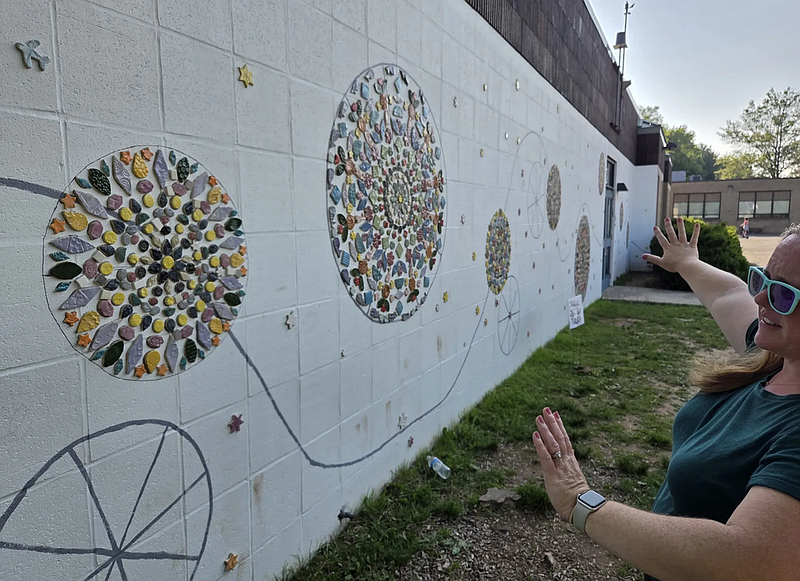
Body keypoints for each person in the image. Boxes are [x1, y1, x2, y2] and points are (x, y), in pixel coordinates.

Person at [532, 217, 800, 581]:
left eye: (783, 294)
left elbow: (749, 558)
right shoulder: (773, 356)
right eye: (762, 279)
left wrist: (579, 501)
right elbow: (728, 294)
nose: (760, 298)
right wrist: (686, 262)